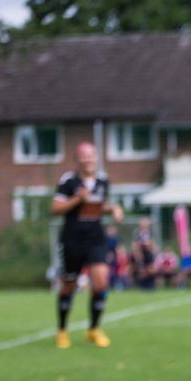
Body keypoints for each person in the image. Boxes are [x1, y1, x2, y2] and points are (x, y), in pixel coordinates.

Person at [50, 141, 123, 348]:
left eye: (91, 155)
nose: (88, 159)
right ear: (77, 159)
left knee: (100, 281)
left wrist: (113, 210)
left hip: (95, 238)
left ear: (96, 157)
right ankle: (62, 330)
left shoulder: (103, 180)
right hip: (72, 239)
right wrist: (76, 199)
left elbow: (97, 207)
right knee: (69, 285)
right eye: (84, 156)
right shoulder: (68, 181)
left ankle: (93, 328)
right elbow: (55, 208)